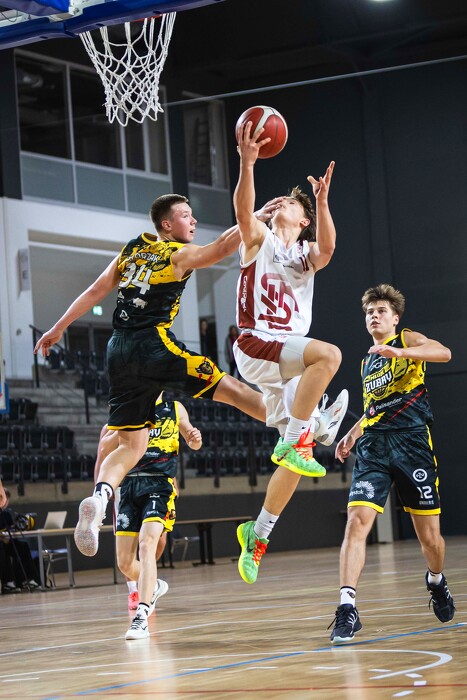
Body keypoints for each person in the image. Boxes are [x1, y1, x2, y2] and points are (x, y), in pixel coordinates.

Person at [34, 193, 271, 560]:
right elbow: (223, 247)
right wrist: (254, 218)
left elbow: (96, 290)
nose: (193, 221)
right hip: (154, 346)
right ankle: (297, 423)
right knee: (232, 390)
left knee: (130, 446)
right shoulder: (177, 254)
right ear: (167, 224)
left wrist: (58, 327)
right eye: (186, 216)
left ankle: (99, 498)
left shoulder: (131, 251)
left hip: (118, 350)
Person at [233, 121, 347, 584]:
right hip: (257, 342)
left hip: (287, 358)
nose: (282, 203)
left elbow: (329, 248)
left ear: (303, 222)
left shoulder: (305, 254)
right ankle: (307, 430)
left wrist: (321, 202)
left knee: (293, 461)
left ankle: (257, 534)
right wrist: (247, 163)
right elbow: (243, 212)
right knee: (330, 356)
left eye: (292, 204)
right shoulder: (258, 240)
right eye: (279, 201)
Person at [329, 283, 455, 644]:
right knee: (356, 522)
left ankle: (436, 580)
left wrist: (401, 352)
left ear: (395, 318)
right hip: (373, 448)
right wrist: (352, 434)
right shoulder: (367, 361)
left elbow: (444, 353)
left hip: (412, 444)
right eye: (369, 312)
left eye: (381, 311)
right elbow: (374, 408)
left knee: (430, 539)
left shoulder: (407, 339)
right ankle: (347, 607)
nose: (374, 316)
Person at [95, 394, 201, 640]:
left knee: (148, 543)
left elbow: (192, 439)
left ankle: (141, 616)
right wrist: (123, 427)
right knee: (124, 563)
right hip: (129, 487)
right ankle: (152, 586)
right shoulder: (127, 409)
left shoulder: (174, 408)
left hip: (159, 485)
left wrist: (194, 438)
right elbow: (104, 449)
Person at [0, 489, 40, 591]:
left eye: (6, 499)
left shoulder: (6, 513)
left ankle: (27, 579)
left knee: (22, 547)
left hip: (8, 542)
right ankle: (7, 582)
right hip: (1, 543)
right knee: (2, 550)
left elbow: (11, 528)